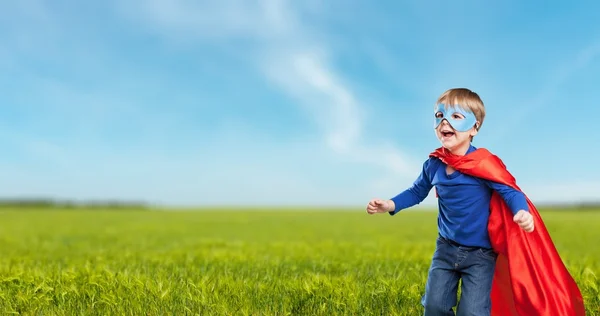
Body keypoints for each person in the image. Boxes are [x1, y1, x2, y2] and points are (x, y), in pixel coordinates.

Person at [366, 88, 536, 315]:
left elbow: (510, 191)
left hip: (480, 254)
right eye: (439, 116)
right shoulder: (434, 164)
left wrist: (521, 211)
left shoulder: (484, 163)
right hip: (446, 248)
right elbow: (417, 191)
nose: (444, 122)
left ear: (474, 127)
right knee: (434, 306)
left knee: (472, 312)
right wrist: (390, 204)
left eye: (456, 116)